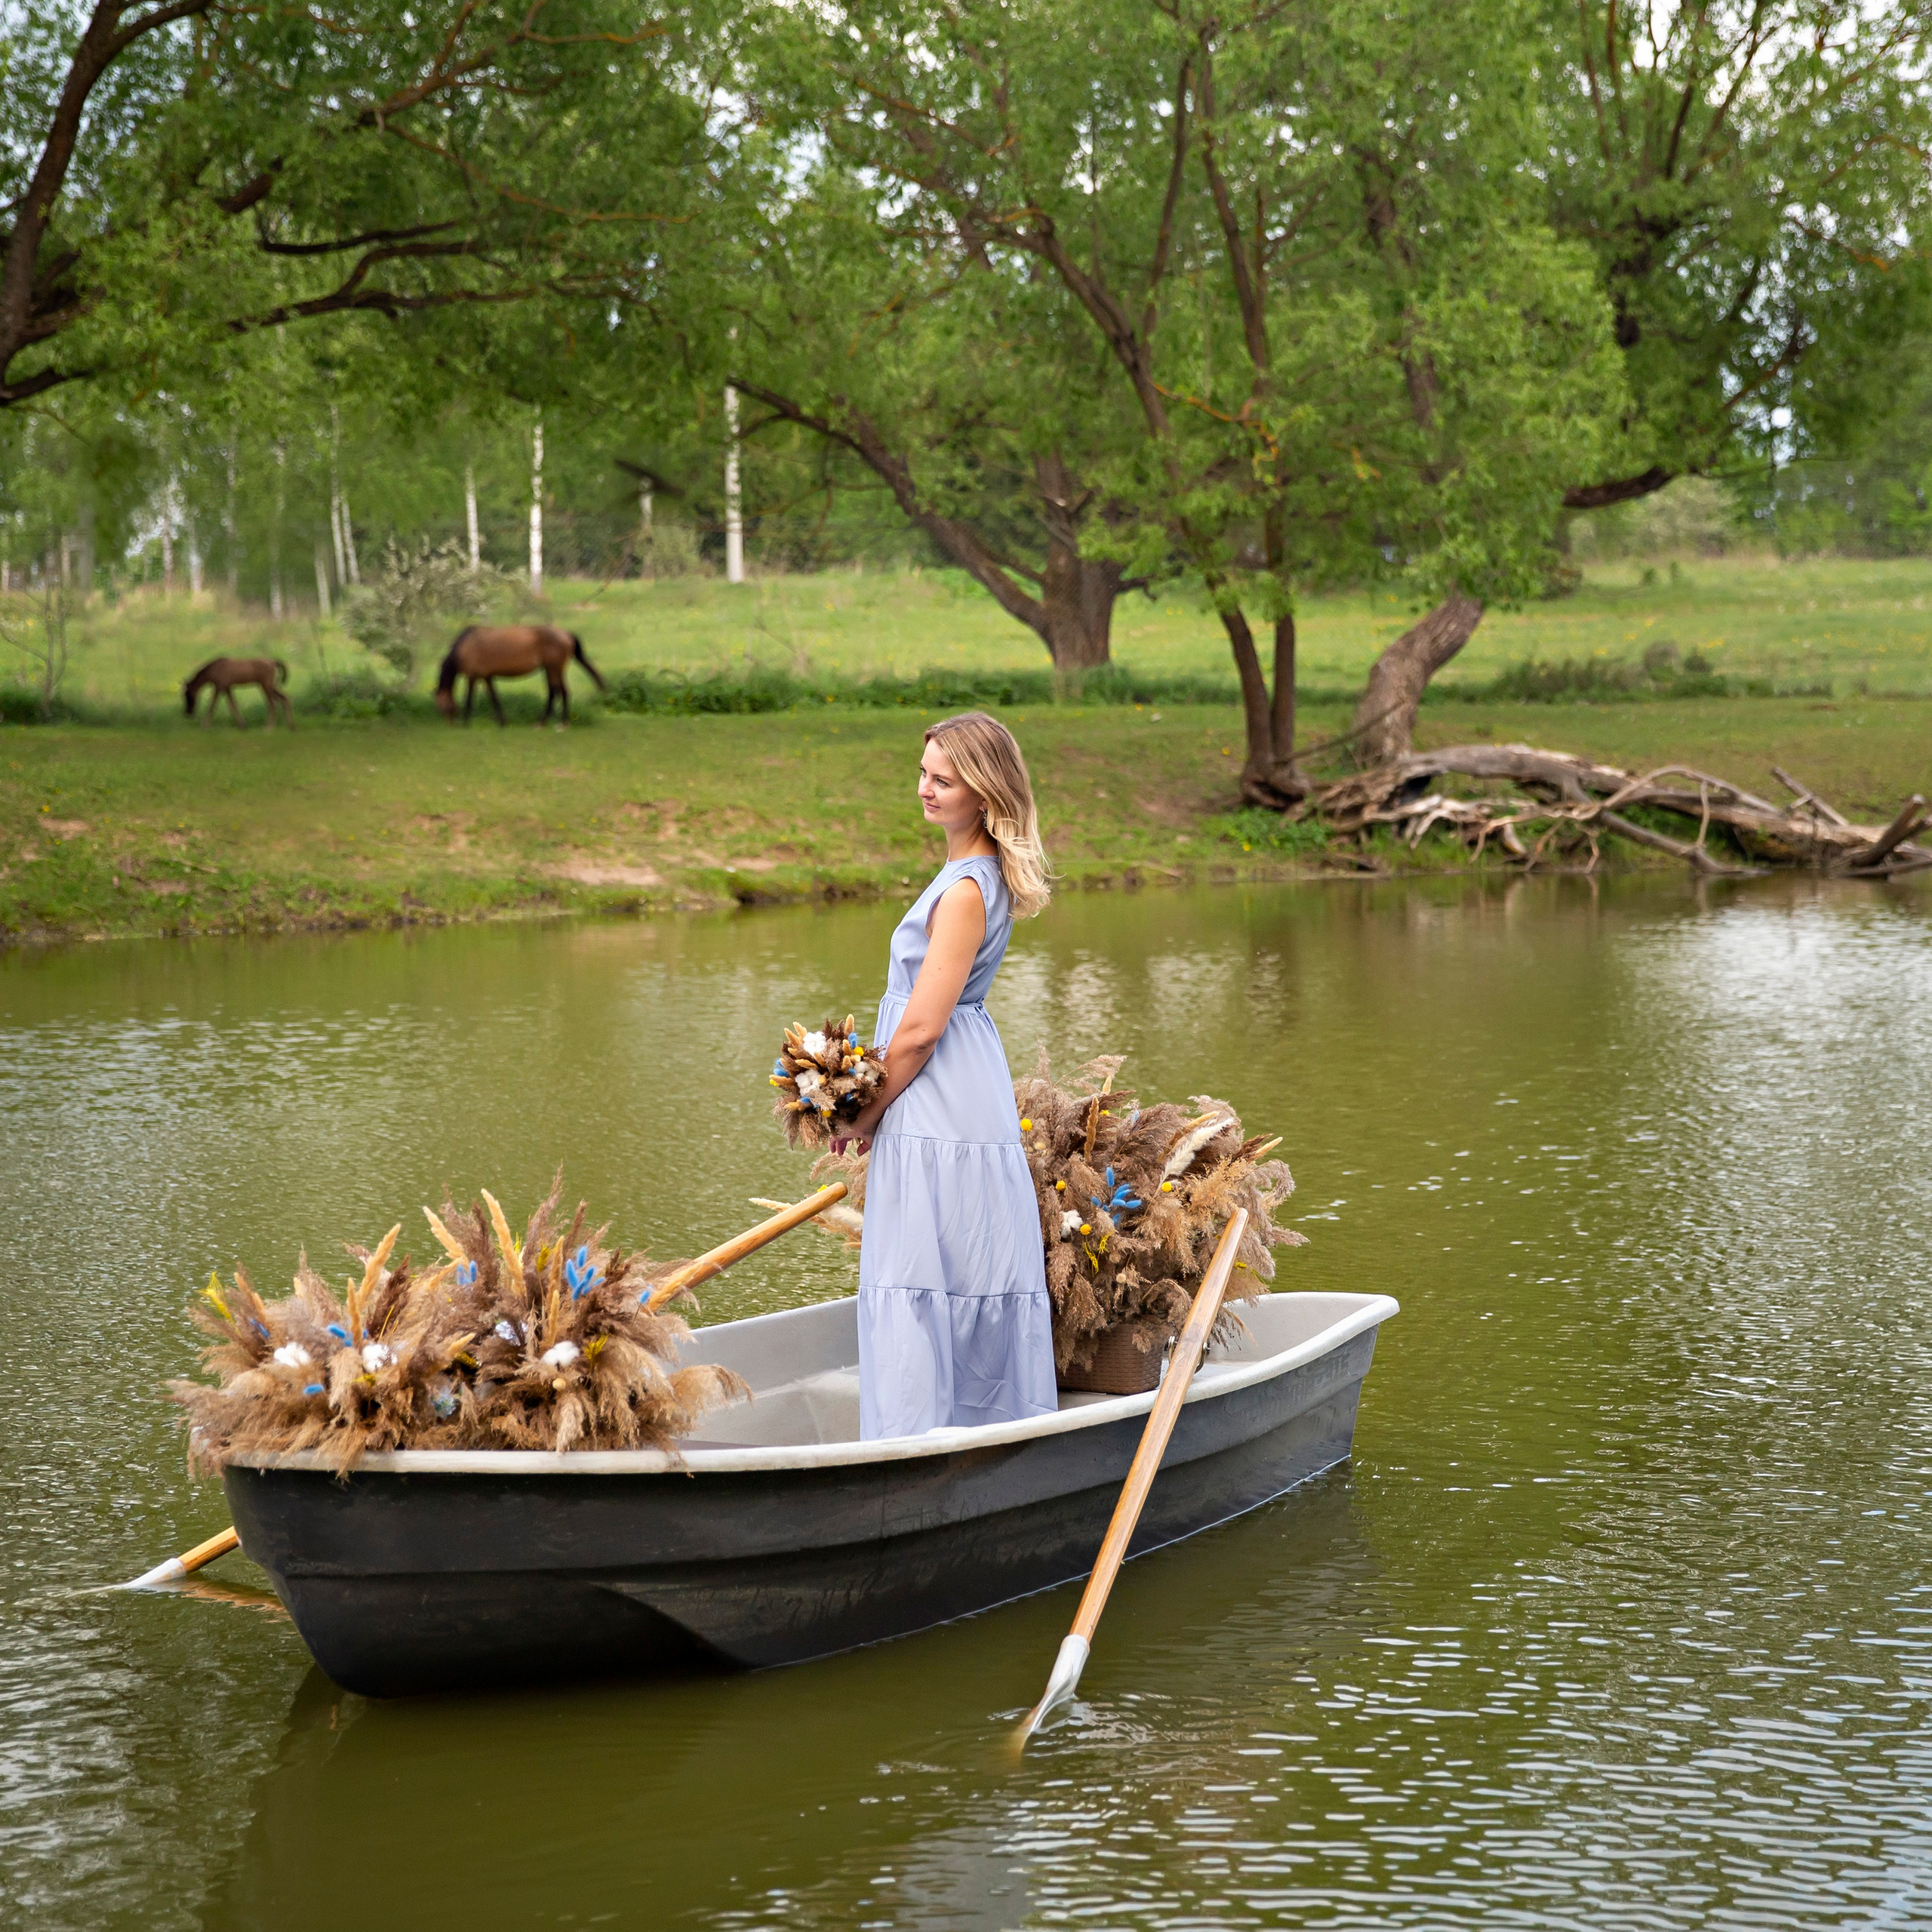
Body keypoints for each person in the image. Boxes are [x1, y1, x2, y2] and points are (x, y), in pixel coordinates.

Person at [835, 712, 1058, 1439]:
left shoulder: (966, 889)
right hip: (952, 1093)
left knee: (923, 1267)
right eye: (924, 772)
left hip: (939, 1100)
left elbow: (924, 1027)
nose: (925, 789)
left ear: (985, 793)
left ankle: (918, 1439)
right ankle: (960, 1425)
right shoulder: (971, 873)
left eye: (944, 779)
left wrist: (864, 1111)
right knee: (953, 1265)